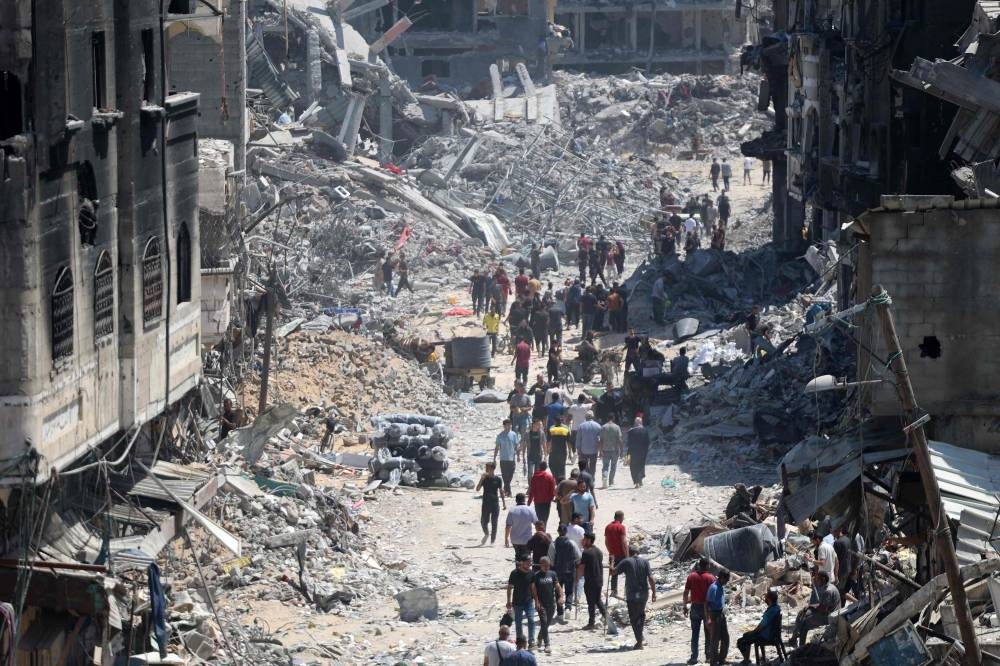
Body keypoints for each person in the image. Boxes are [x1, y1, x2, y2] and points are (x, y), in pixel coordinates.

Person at [612, 546, 656, 649]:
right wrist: (654, 592)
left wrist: (612, 562)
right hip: (644, 593)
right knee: (641, 615)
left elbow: (613, 572)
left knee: (634, 618)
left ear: (629, 552)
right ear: (638, 552)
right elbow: (651, 578)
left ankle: (639, 641)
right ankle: (640, 638)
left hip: (632, 595)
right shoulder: (645, 562)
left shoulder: (626, 561)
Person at [791, 570, 840, 647]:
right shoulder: (829, 587)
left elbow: (823, 609)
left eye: (818, 579)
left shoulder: (828, 591)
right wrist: (809, 607)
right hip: (828, 612)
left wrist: (811, 607)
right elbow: (822, 605)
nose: (816, 581)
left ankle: (801, 646)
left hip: (829, 617)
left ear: (823, 579)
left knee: (805, 623)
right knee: (802, 613)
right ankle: (795, 636)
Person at [684, 558, 717, 665]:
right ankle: (708, 656)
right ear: (707, 566)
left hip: (695, 607)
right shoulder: (711, 578)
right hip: (707, 608)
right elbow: (714, 595)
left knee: (695, 634)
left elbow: (686, 592)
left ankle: (694, 657)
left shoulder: (691, 576)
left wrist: (684, 605)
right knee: (708, 633)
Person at [736, 590, 781, 665]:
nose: (765, 600)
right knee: (747, 635)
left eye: (766, 598)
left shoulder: (770, 611)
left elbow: (761, 627)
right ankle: (748, 659)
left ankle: (746, 660)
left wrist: (753, 632)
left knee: (741, 641)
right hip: (773, 634)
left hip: (766, 636)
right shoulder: (776, 608)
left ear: (769, 599)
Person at [532, 556, 563, 654]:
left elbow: (557, 586)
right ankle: (547, 644)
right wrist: (536, 601)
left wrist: (561, 596)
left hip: (551, 604)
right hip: (541, 604)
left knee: (546, 624)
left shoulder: (552, 574)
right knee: (544, 623)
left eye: (548, 565)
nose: (546, 567)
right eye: (544, 565)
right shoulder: (536, 576)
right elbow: (534, 590)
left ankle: (540, 637)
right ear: (541, 565)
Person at [506, 555, 537, 648]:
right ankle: (520, 642)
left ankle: (531, 641)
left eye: (530, 561)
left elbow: (533, 588)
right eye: (528, 562)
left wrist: (537, 600)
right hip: (517, 602)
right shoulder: (514, 573)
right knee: (518, 623)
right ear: (522, 562)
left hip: (529, 601)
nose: (529, 563)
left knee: (531, 620)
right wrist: (508, 601)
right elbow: (510, 588)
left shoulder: (532, 573)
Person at [578, 533, 607, 630]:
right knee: (598, 600)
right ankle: (607, 618)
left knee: (591, 602)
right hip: (599, 579)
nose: (583, 541)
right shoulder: (598, 551)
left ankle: (591, 623)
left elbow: (582, 568)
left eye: (585, 539)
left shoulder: (586, 553)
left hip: (590, 581)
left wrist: (577, 580)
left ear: (589, 540)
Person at [553, 525, 580, 621]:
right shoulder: (572, 543)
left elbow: (551, 558)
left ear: (558, 531)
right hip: (570, 571)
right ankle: (568, 607)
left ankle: (560, 613)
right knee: (569, 591)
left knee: (558, 591)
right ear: (566, 532)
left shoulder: (554, 543)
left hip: (557, 572)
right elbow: (578, 557)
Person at [477, 461, 507, 545]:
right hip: (486, 503)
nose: (486, 469)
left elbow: (501, 491)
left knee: (494, 522)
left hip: (495, 503)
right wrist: (481, 479)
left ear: (492, 469)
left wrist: (504, 503)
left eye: (487, 467)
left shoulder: (498, 479)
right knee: (483, 521)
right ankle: (486, 534)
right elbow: (477, 489)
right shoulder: (484, 478)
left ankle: (492, 541)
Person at [505, 494, 539, 561]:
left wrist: (506, 538)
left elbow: (508, 526)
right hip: (527, 539)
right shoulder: (530, 510)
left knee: (518, 556)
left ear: (516, 500)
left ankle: (518, 569)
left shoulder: (512, 510)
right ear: (524, 500)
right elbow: (537, 524)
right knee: (527, 558)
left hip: (515, 539)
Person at [707, 569, 730, 665]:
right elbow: (707, 603)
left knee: (725, 638)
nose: (727, 582)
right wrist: (708, 618)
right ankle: (713, 661)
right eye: (726, 580)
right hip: (714, 614)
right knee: (715, 640)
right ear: (722, 578)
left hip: (721, 613)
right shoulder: (714, 588)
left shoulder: (720, 586)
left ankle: (721, 658)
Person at [493, 419, 520, 497]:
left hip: (512, 458)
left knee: (510, 474)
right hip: (503, 459)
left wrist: (518, 456)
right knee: (505, 476)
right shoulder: (500, 436)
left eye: (510, 425)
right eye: (507, 425)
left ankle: (506, 488)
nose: (509, 426)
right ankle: (509, 491)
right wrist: (494, 458)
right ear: (504, 426)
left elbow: (517, 446)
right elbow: (497, 447)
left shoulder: (514, 434)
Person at [604, 511, 628, 596]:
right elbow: (623, 542)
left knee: (614, 574)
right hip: (621, 554)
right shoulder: (621, 527)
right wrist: (627, 555)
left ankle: (614, 591)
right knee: (628, 572)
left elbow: (606, 542)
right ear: (620, 517)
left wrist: (610, 551)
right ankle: (626, 592)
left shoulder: (608, 527)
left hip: (612, 555)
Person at [527, 461, 557, 528]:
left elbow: (532, 490)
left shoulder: (535, 477)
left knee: (539, 519)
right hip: (547, 502)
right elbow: (552, 490)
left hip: (537, 501)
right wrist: (552, 498)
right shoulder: (550, 477)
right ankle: (543, 532)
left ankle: (540, 532)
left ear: (539, 467)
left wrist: (529, 502)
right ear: (546, 467)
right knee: (545, 519)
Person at [598, 413, 623, 488]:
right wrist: (621, 450)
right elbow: (619, 439)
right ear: (613, 418)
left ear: (607, 418)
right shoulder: (617, 427)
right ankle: (611, 481)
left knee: (605, 466)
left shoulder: (603, 427)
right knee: (613, 466)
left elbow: (601, 440)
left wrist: (600, 451)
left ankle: (605, 478)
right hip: (615, 450)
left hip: (605, 450)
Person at [575, 411, 602, 477]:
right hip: (594, 450)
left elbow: (578, 439)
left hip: (583, 450)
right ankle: (592, 478)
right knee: (593, 465)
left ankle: (586, 477)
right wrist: (600, 450)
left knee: (584, 465)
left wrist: (578, 450)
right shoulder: (598, 426)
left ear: (585, 417)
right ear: (593, 416)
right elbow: (600, 440)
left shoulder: (581, 426)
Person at [832, 522, 854, 602]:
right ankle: (843, 605)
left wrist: (835, 573)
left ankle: (856, 602)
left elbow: (836, 560)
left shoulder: (837, 543)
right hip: (848, 569)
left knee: (839, 591)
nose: (832, 534)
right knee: (842, 589)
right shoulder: (848, 539)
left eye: (833, 532)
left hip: (841, 570)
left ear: (837, 531)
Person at [547, 416, 573, 482]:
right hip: (563, 451)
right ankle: (561, 481)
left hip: (554, 451)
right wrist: (570, 452)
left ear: (554, 421)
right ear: (561, 421)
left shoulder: (551, 428)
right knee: (561, 467)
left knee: (551, 464)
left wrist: (548, 449)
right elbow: (569, 442)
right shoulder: (566, 428)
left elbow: (549, 441)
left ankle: (556, 478)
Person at [626, 417, 650, 487]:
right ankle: (640, 479)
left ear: (635, 423)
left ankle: (636, 482)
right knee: (641, 465)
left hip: (632, 451)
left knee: (633, 466)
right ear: (641, 422)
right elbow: (648, 442)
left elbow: (629, 443)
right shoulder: (645, 431)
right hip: (642, 452)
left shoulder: (631, 431)